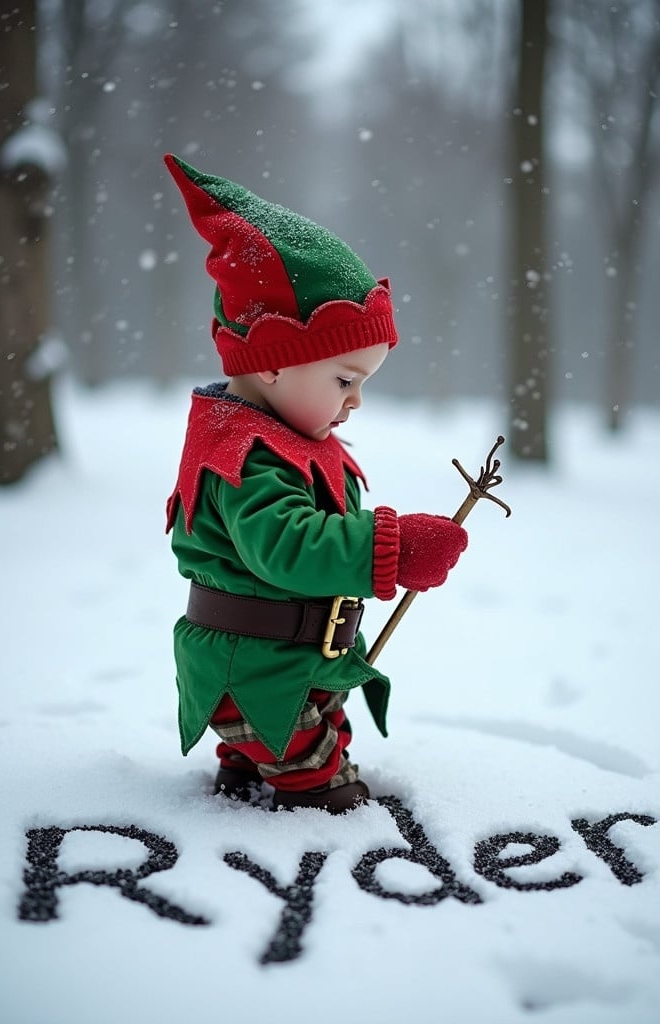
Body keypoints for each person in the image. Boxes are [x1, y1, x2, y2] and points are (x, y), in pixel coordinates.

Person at [164, 155, 468, 813]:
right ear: (274, 364)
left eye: (362, 384)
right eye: (343, 379)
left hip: (286, 663)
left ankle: (248, 765)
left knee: (302, 729)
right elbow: (287, 546)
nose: (354, 401)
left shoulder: (285, 439)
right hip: (256, 664)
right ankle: (310, 800)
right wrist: (390, 546)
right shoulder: (241, 455)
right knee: (319, 781)